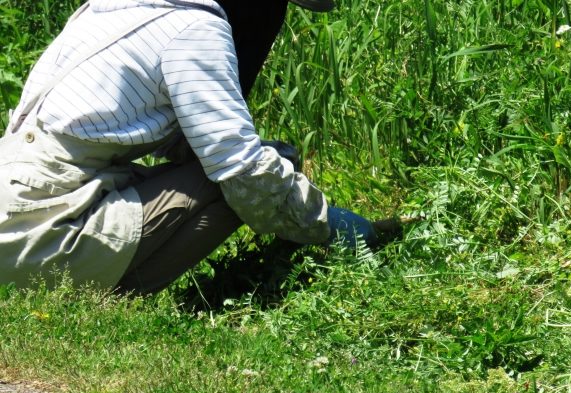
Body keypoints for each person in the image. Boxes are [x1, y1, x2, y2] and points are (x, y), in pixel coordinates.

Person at [0, 0, 375, 294]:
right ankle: (109, 294)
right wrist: (337, 226)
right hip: (40, 231)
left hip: (14, 208)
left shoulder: (121, 6)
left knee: (257, 166)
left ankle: (93, 278)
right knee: (238, 181)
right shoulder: (196, 28)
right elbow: (241, 170)